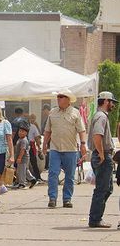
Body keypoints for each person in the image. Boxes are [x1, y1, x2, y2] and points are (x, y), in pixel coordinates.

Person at [42, 89, 87, 209]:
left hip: (70, 149)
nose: (58, 99)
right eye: (58, 97)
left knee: (70, 176)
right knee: (53, 173)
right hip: (55, 148)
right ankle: (52, 198)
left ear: (68, 99)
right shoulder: (52, 112)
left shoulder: (75, 113)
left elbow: (81, 130)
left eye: (61, 97)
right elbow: (48, 130)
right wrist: (44, 144)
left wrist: (83, 144)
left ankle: (67, 199)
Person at [87, 91, 117, 228]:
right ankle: (95, 219)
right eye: (112, 102)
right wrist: (101, 154)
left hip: (102, 154)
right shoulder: (101, 117)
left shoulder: (100, 116)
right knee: (102, 189)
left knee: (107, 188)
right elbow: (97, 135)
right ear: (106, 101)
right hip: (102, 155)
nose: (113, 106)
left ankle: (96, 216)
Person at [13, 122, 37, 189]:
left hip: (23, 158)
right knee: (25, 170)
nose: (20, 133)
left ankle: (22, 183)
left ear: (26, 133)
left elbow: (22, 150)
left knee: (21, 171)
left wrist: (19, 158)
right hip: (21, 158)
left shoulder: (24, 140)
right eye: (20, 131)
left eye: (23, 131)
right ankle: (32, 179)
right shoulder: (20, 139)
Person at [28, 114, 43, 181]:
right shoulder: (33, 126)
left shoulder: (34, 126)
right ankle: (37, 177)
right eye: (31, 118)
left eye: (34, 118)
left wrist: (38, 146)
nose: (32, 120)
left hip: (30, 145)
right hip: (30, 145)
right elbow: (37, 137)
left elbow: (38, 136)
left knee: (32, 162)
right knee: (33, 162)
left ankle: (36, 177)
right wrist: (39, 147)